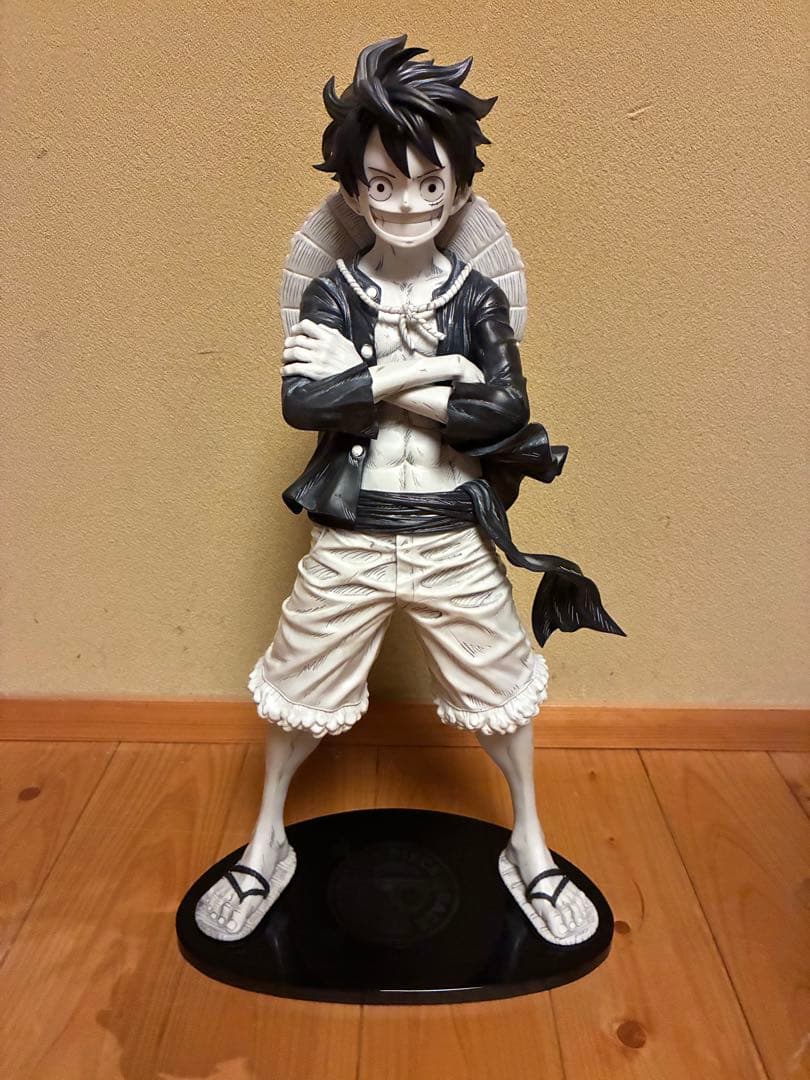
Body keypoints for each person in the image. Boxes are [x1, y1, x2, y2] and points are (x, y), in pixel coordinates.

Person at [196, 35, 622, 946]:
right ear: (354, 192)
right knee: (296, 687)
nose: (406, 205)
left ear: (460, 190)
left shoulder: (477, 299)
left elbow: (504, 408)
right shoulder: (333, 295)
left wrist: (377, 377)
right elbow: (303, 402)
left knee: (502, 690)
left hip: (451, 536)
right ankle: (268, 838)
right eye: (383, 185)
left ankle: (529, 842)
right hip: (351, 538)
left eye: (429, 184)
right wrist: (424, 371)